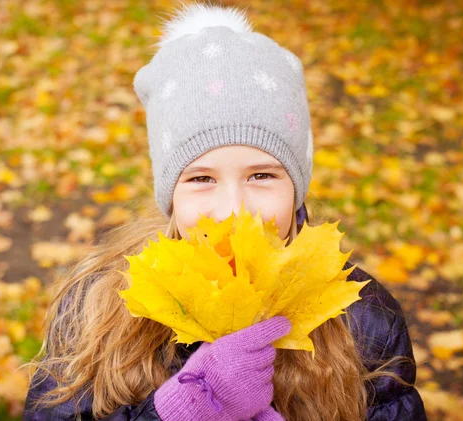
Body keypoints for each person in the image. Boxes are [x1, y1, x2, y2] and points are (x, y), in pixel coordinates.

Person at [23, 3, 427, 420]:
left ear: (296, 187)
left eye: (261, 176)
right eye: (202, 179)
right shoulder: (101, 306)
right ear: (171, 193)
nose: (234, 211)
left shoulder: (364, 318)